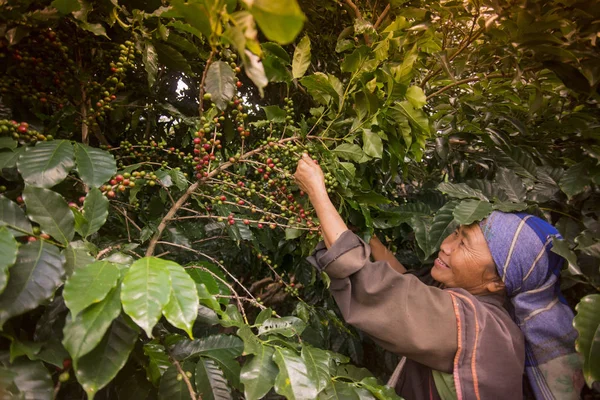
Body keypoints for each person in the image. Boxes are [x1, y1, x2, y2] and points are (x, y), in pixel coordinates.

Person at [294, 153, 584, 400]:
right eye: (455, 233)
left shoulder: (477, 326)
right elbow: (407, 283)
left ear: (498, 281)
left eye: (463, 244)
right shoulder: (486, 306)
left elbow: (373, 286)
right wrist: (363, 234)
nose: (445, 245)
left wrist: (318, 194)